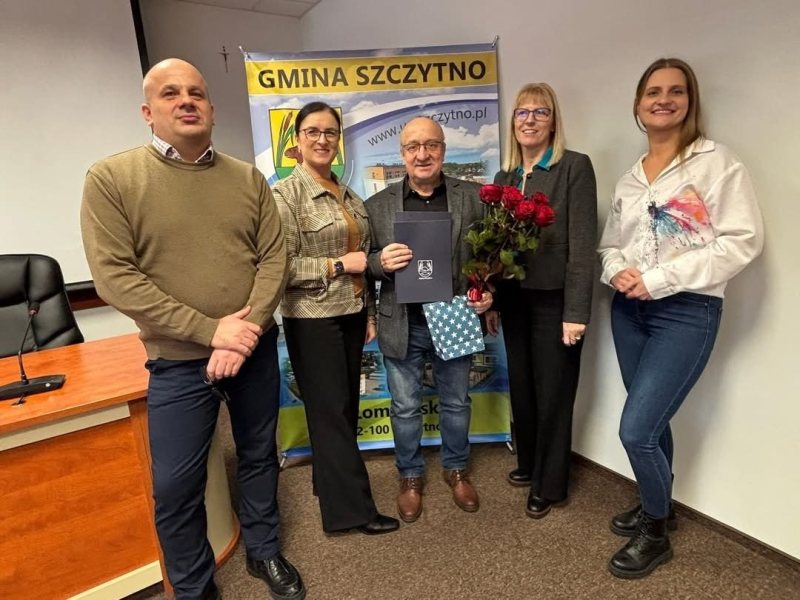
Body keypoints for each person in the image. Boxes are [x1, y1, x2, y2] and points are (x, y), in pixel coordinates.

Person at [80, 58, 305, 600]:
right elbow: (115, 279)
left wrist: (244, 333)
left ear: (211, 108)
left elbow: (274, 259)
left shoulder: (247, 178)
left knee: (258, 454)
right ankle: (194, 587)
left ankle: (264, 549)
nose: (186, 100)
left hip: (253, 350)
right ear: (147, 112)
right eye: (170, 93)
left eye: (196, 93)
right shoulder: (111, 179)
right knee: (176, 485)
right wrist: (211, 332)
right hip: (178, 362)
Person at [598, 57, 763, 579]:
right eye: (653, 92)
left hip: (687, 312)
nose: (663, 100)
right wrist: (619, 271)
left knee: (636, 430)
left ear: (690, 102)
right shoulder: (629, 178)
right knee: (653, 422)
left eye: (675, 91)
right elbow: (610, 245)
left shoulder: (715, 163)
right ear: (638, 104)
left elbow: (742, 241)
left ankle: (655, 532)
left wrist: (661, 279)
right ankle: (660, 505)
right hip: (629, 312)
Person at [272, 102, 399, 536]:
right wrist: (338, 265)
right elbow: (280, 269)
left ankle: (328, 487)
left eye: (330, 132)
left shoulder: (349, 195)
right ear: (297, 140)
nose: (322, 139)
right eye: (313, 131)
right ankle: (353, 513)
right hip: (313, 320)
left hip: (350, 314)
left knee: (342, 410)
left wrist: (368, 313)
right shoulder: (285, 195)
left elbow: (366, 261)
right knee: (332, 415)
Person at [366, 116, 492, 523]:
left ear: (443, 150)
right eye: (413, 147)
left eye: (431, 145)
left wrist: (490, 294)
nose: (422, 154)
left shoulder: (472, 198)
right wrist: (380, 263)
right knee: (404, 407)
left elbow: (488, 259)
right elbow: (365, 265)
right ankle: (410, 475)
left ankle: (456, 469)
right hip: (403, 321)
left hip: (455, 318)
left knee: (456, 402)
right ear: (402, 153)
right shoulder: (377, 206)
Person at [486, 83, 598, 519]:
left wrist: (576, 312)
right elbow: (495, 248)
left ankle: (550, 483)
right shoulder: (505, 177)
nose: (530, 120)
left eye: (540, 112)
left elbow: (583, 246)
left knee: (553, 391)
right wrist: (494, 301)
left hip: (556, 302)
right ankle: (530, 462)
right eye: (522, 112)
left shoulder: (574, 167)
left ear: (553, 122)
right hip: (515, 299)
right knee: (523, 386)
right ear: (513, 122)